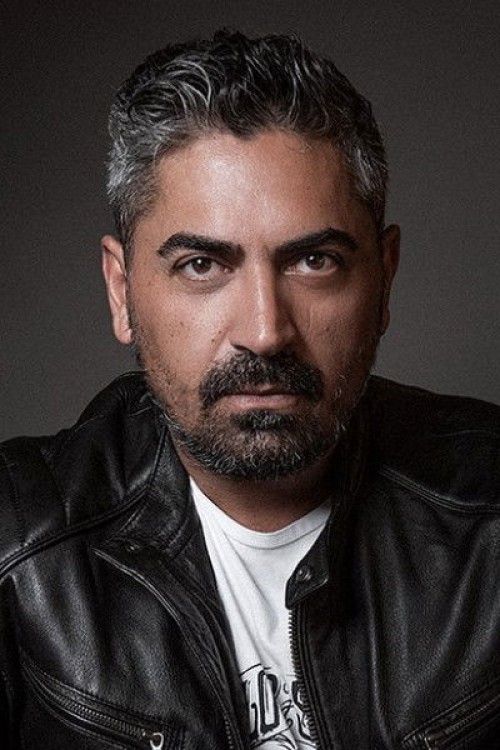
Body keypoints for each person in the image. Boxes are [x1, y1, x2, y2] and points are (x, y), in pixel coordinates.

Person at [0, 29, 498, 750]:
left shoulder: (487, 521)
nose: (265, 332)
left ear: (384, 278)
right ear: (121, 289)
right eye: (202, 265)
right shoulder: (21, 551)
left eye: (314, 261)